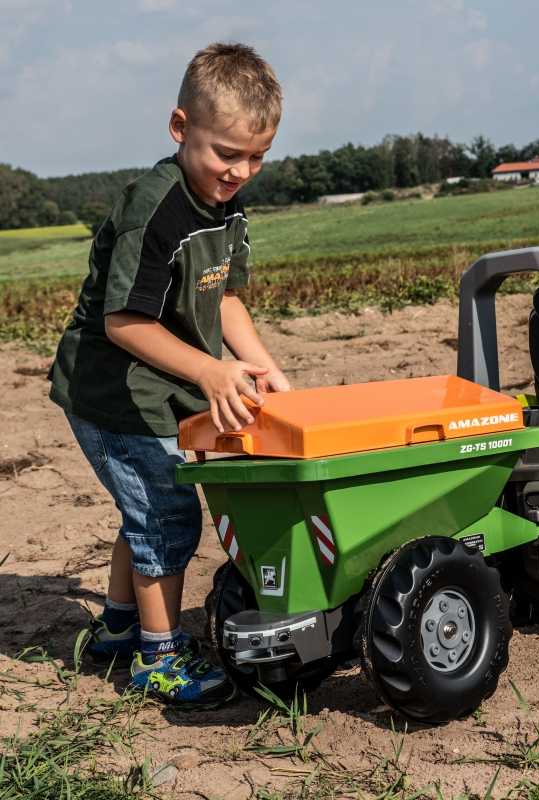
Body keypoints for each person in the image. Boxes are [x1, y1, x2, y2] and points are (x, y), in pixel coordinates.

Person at [49, 42, 290, 708]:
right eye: (226, 153)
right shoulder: (157, 209)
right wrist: (212, 371)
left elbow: (226, 298)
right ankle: (157, 658)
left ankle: (120, 628)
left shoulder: (225, 204)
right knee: (166, 513)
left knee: (145, 511)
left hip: (163, 383)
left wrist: (265, 367)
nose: (241, 171)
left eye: (257, 156)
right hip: (114, 391)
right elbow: (124, 322)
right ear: (180, 128)